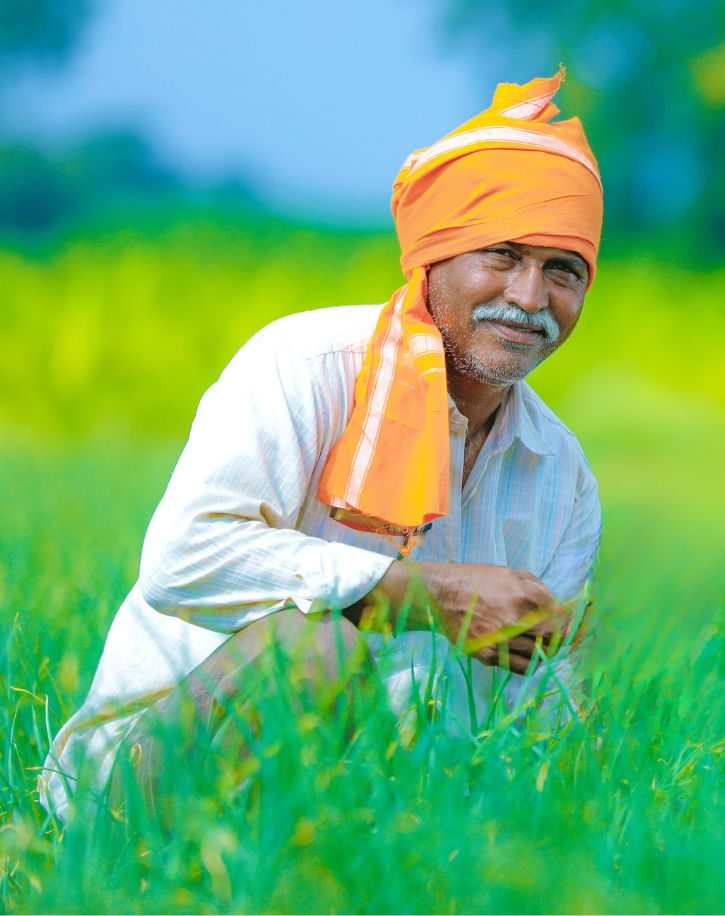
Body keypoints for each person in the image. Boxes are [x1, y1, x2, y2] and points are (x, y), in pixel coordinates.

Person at [40, 67, 603, 821]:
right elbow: (183, 560)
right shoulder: (305, 366)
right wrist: (422, 596)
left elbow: (543, 708)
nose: (530, 299)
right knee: (312, 653)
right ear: (432, 257)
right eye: (500, 256)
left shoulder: (560, 473)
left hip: (387, 809)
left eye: (561, 271)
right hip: (153, 787)